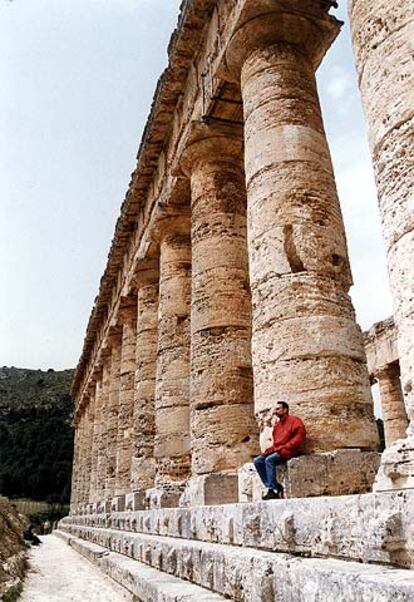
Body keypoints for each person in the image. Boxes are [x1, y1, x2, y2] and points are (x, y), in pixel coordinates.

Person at [254, 401, 306, 500]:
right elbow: (276, 443)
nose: (275, 411)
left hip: (290, 450)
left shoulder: (295, 421)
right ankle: (272, 484)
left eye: (278, 409)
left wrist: (287, 446)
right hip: (279, 450)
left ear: (285, 410)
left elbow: (299, 436)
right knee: (258, 461)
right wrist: (269, 450)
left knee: (269, 460)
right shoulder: (277, 425)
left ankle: (273, 490)